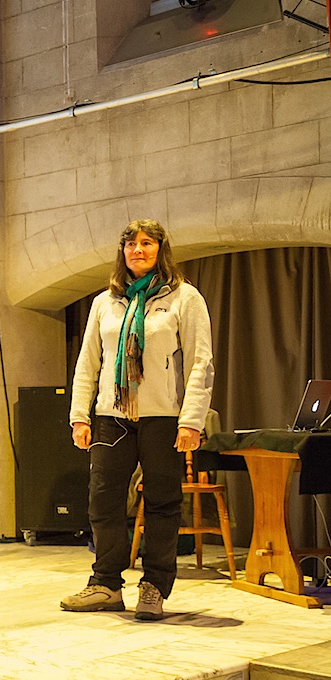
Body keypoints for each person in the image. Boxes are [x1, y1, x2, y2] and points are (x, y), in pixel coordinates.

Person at [62, 219, 214, 622]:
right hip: (112, 416)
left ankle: (154, 587)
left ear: (160, 249)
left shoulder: (185, 298)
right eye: (130, 243)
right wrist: (80, 416)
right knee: (103, 501)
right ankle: (106, 585)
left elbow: (201, 362)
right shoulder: (104, 302)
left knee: (163, 503)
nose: (138, 250)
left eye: (147, 243)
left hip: (165, 418)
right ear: (122, 251)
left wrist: (192, 420)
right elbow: (88, 362)